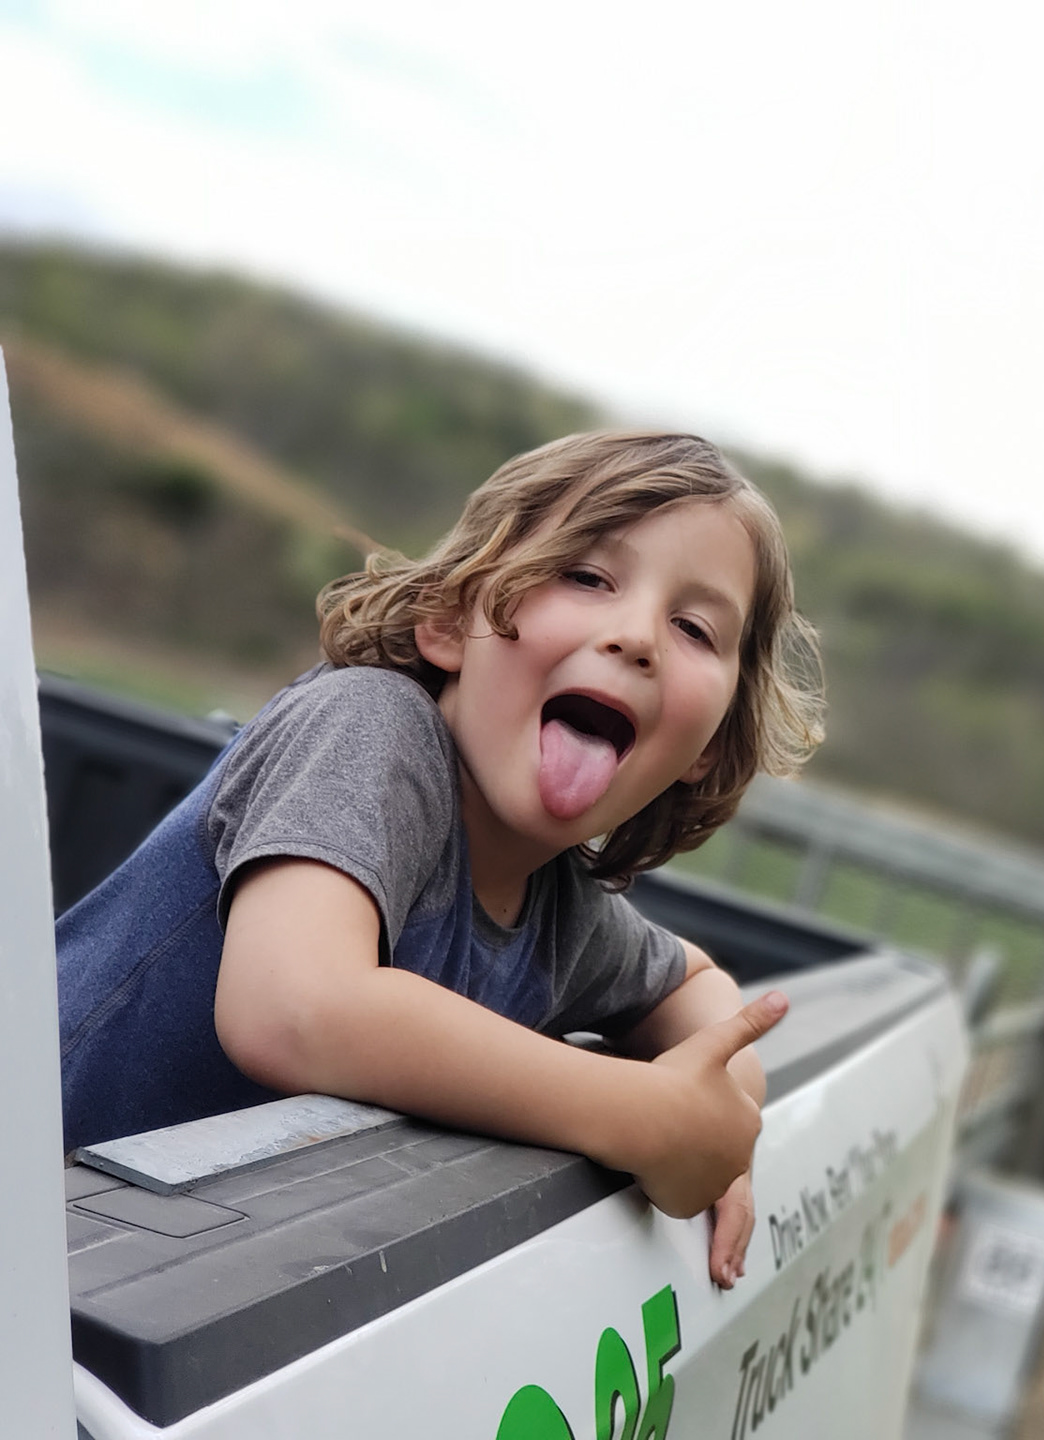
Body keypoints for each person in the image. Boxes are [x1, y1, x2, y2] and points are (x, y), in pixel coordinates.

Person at [56, 430, 824, 1287]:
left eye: (694, 628)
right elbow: (293, 1009)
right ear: (452, 622)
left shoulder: (561, 914)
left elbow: (693, 987)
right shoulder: (368, 727)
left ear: (709, 747)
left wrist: (716, 1120)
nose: (639, 636)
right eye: (586, 577)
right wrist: (639, 1115)